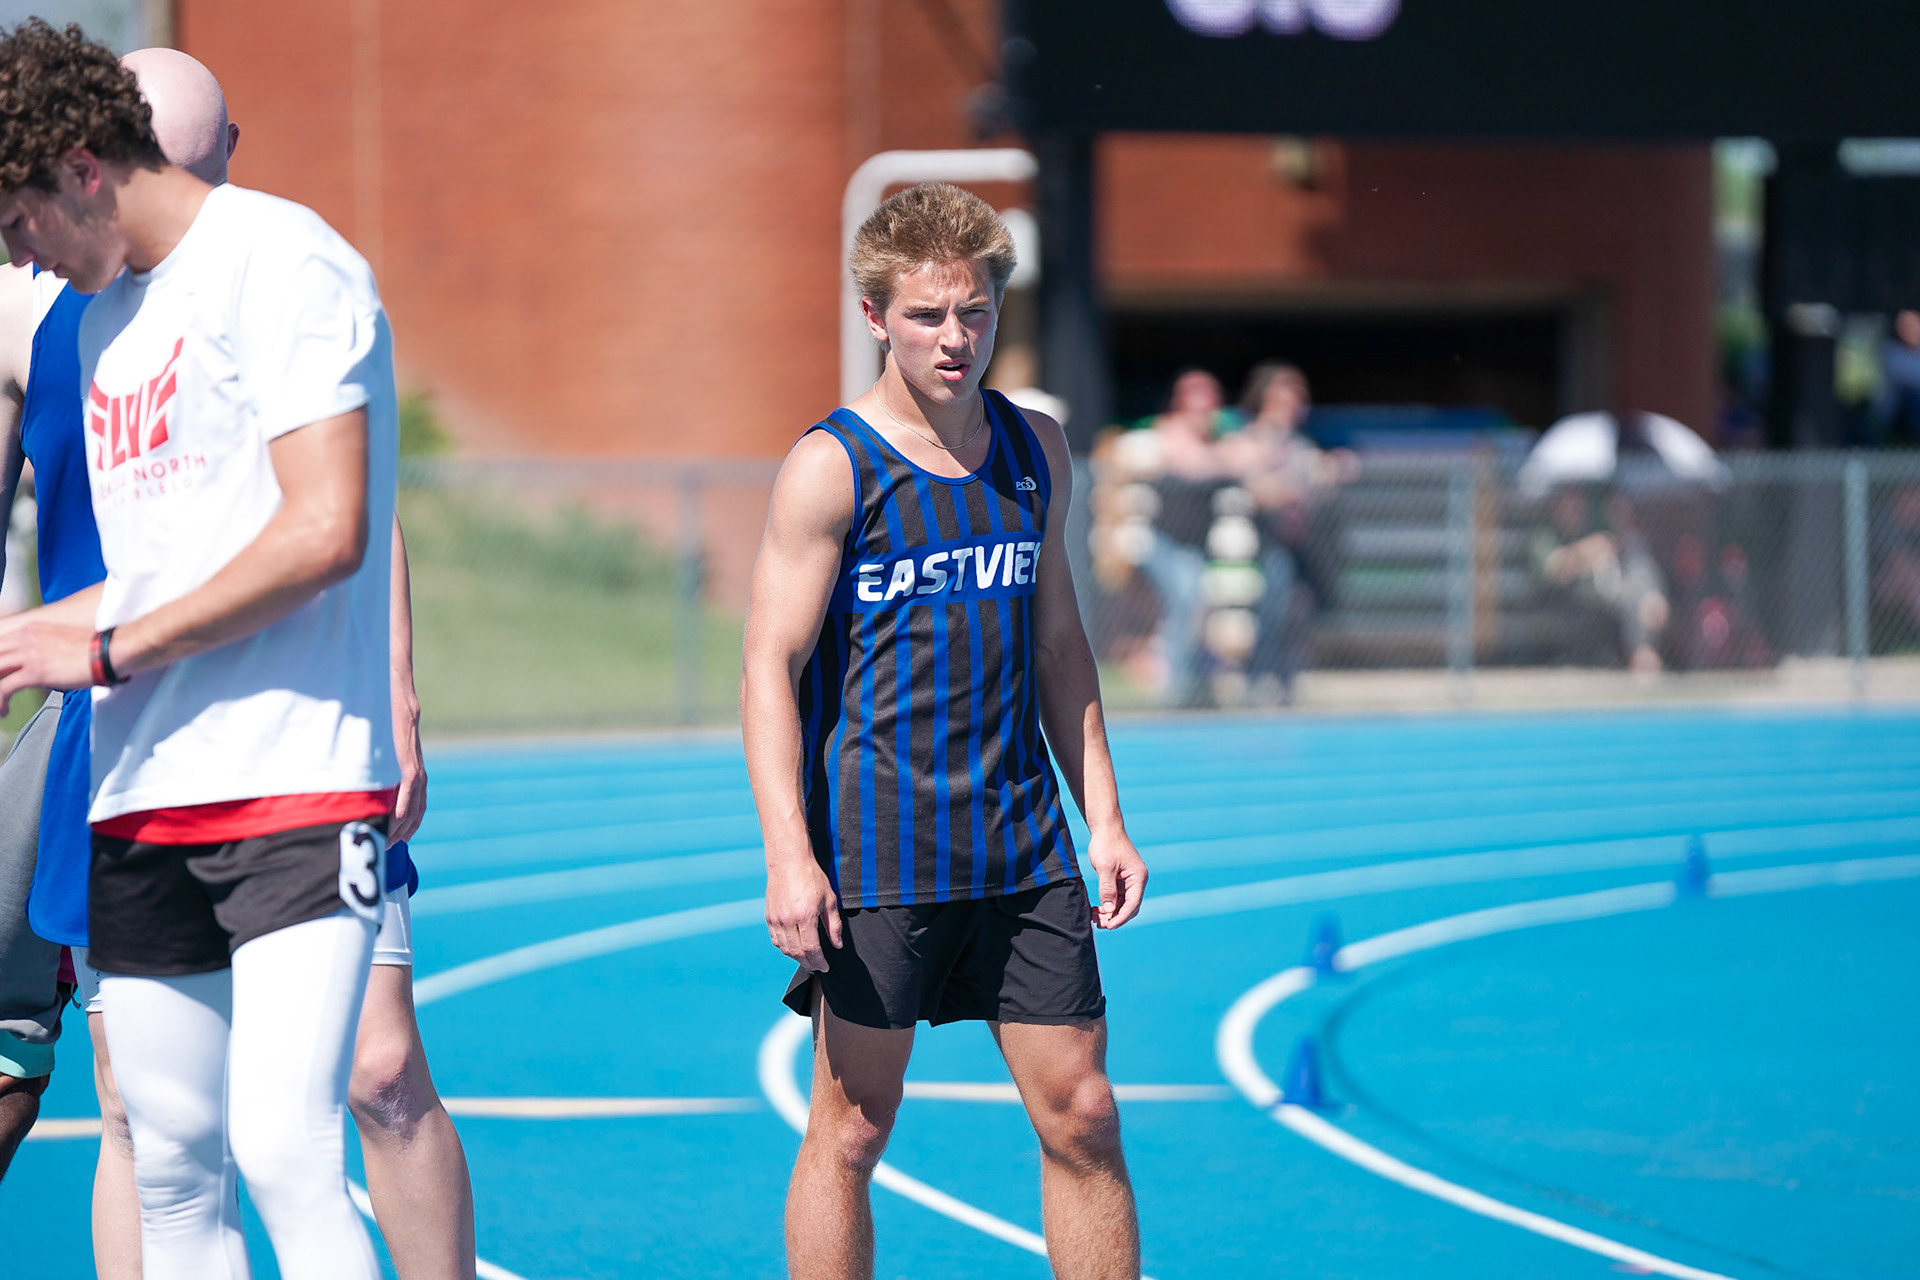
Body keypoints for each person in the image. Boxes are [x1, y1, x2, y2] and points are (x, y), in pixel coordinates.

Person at [0, 21, 394, 1277]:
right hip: (139, 788)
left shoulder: (282, 258)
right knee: (169, 1163)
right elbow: (164, 558)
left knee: (285, 1148)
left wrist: (108, 645)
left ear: (81, 167)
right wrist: (42, 634)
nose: (19, 257)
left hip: (293, 779)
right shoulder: (99, 320)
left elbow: (325, 530)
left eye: (16, 222)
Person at [742, 181, 1149, 1280]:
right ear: (876, 316)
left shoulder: (1037, 449)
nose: (954, 338)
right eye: (926, 315)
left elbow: (1060, 645)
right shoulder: (833, 467)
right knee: (852, 1129)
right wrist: (788, 855)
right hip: (878, 849)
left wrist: (1105, 819)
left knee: (1084, 1111)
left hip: (1023, 841)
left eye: (974, 311)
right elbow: (770, 667)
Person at [1224, 361, 1355, 704]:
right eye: (1284, 399)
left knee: (1299, 609)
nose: (1293, 406)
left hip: (1302, 546)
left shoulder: (1298, 445)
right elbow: (1258, 491)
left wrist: (1330, 469)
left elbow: (1320, 480)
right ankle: (1258, 679)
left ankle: (1286, 681)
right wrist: (1297, 481)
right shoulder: (1250, 439)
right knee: (1273, 605)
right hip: (1259, 545)